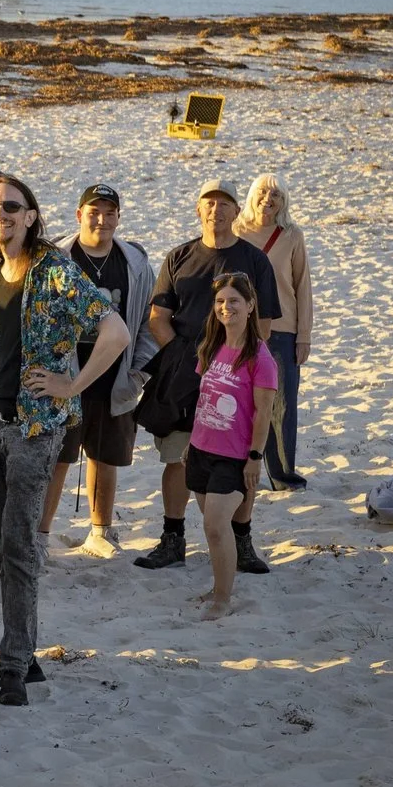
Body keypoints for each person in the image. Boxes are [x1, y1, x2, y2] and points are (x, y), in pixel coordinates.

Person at [0, 173, 127, 706]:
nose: (0, 216)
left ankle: (13, 664)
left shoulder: (55, 270)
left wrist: (72, 385)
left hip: (38, 428)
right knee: (2, 538)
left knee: (18, 542)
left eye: (11, 207)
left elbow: (116, 331)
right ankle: (25, 654)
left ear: (32, 215)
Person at [137, 181, 283, 576]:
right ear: (198, 210)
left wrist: (230, 363)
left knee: (239, 463)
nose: (216, 209)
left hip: (237, 376)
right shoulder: (179, 256)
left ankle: (242, 541)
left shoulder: (254, 260)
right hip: (184, 374)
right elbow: (158, 319)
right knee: (177, 457)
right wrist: (191, 360)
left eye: (224, 204)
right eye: (209, 203)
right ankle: (173, 538)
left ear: (237, 212)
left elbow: (265, 324)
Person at [56, 184, 158, 557]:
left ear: (118, 217)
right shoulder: (58, 256)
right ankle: (41, 532)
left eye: (110, 212)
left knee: (105, 455)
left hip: (115, 375)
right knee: (58, 456)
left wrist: (138, 374)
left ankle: (100, 531)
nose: (102, 219)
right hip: (65, 374)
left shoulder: (135, 262)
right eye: (94, 211)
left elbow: (150, 321)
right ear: (79, 215)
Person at [184, 275, 279, 621]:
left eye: (234, 301)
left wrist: (254, 458)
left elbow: (264, 413)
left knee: (215, 526)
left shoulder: (260, 358)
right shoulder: (212, 345)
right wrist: (190, 445)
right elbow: (204, 398)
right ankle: (217, 587)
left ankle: (223, 598)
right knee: (214, 529)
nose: (226, 308)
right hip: (200, 450)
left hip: (234, 456)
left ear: (250, 305)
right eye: (220, 301)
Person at [236, 174, 313, 490]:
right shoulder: (235, 232)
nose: (269, 199)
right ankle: (240, 469)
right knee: (240, 402)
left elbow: (302, 286)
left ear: (284, 202)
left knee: (281, 405)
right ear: (252, 195)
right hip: (239, 328)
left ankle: (282, 474)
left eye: (277, 194)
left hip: (283, 330)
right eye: (263, 192)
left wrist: (303, 335)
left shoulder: (292, 236)